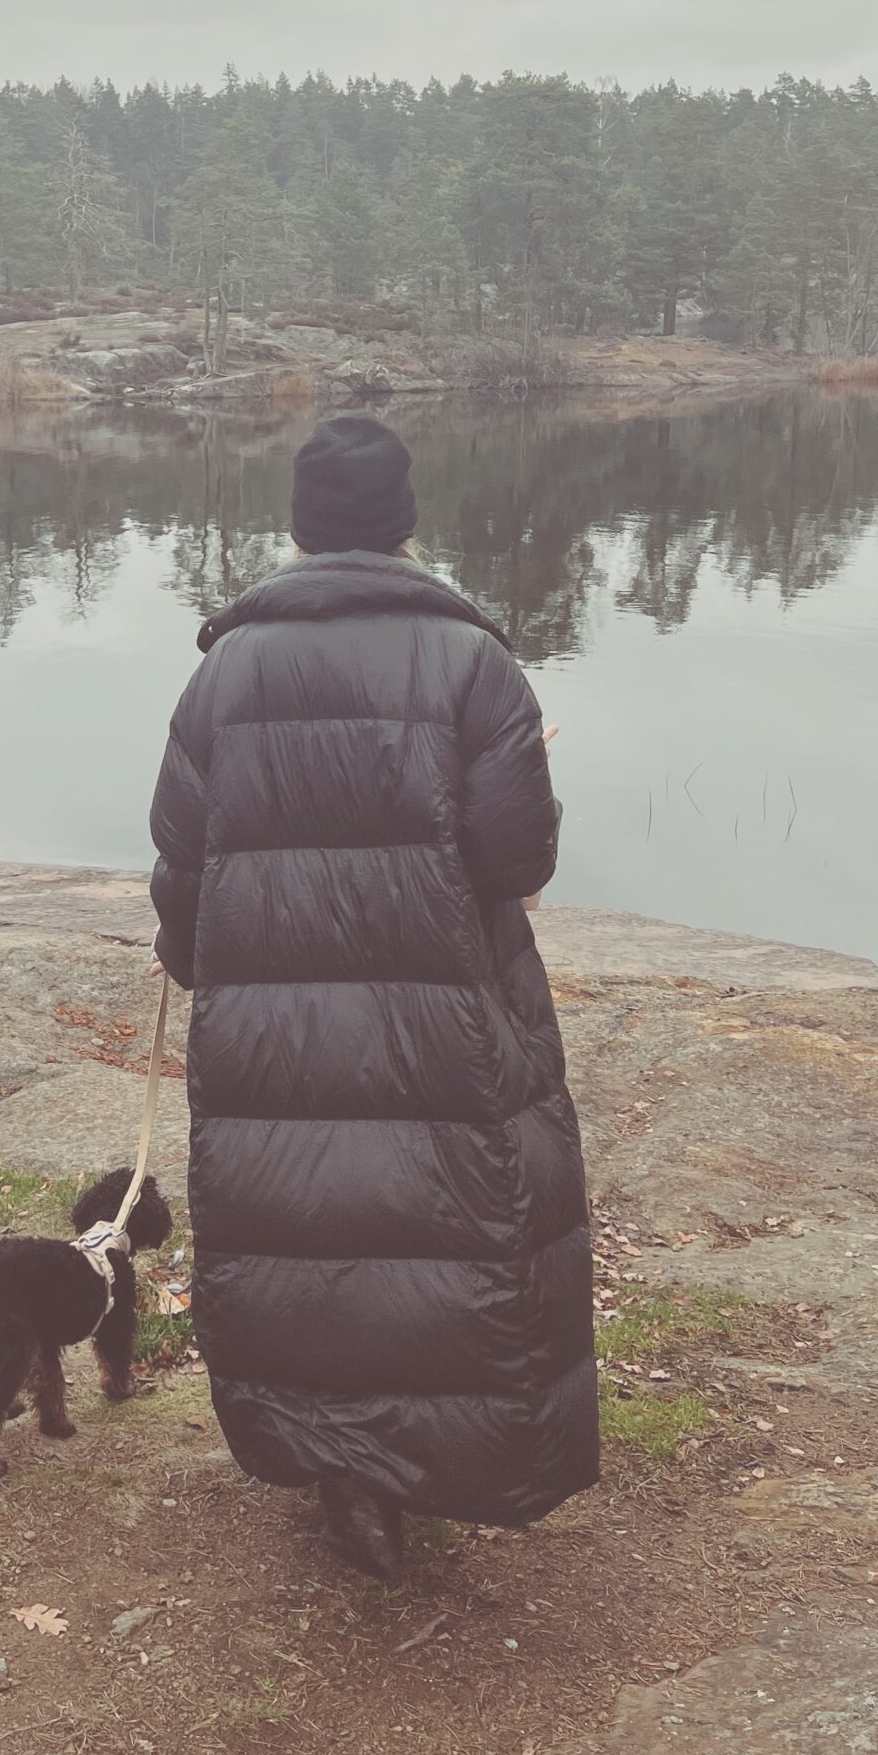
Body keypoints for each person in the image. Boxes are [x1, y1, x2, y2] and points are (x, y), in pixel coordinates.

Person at [148, 416, 597, 1577]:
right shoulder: (471, 664)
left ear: (300, 527)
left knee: (301, 1232)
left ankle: (339, 1470)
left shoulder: (225, 669)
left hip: (269, 1032)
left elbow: (183, 857)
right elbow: (517, 863)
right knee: (437, 1234)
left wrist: (191, 955)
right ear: (403, 521)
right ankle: (422, 1466)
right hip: (437, 1029)